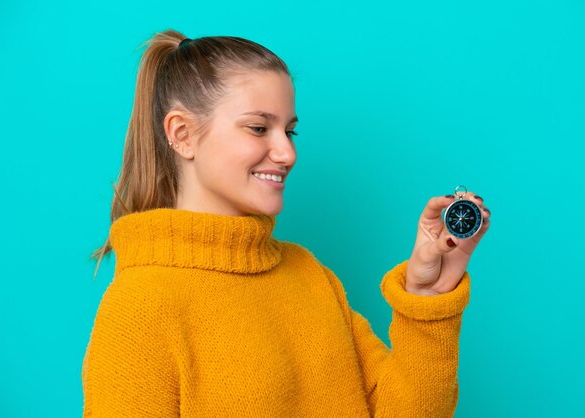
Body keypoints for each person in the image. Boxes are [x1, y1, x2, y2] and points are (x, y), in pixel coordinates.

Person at [82, 29, 491, 417]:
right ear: (183, 134)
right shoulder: (139, 311)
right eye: (259, 128)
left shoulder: (309, 275)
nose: (287, 153)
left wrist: (428, 295)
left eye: (290, 131)